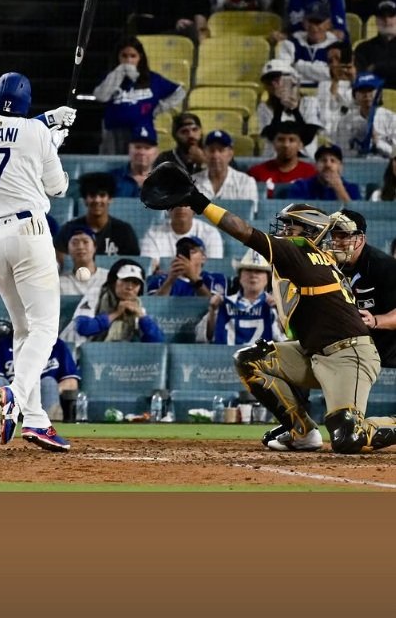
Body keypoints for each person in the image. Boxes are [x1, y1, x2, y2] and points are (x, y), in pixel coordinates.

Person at [141, 164, 396, 453]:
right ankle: (301, 431)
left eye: (291, 226)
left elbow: (244, 232)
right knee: (250, 359)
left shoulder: (301, 250)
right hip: (315, 351)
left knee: (348, 438)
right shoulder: (313, 258)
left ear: (309, 233)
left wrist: (200, 203)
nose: (284, 231)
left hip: (349, 356)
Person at [0, 70, 76, 452]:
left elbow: (8, 132)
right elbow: (57, 188)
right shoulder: (36, 133)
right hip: (29, 234)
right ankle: (15, 392)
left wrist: (49, 124)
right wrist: (53, 141)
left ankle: (37, 421)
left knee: (23, 329)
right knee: (45, 328)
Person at [93, 36, 185, 154]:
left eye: (133, 56)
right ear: (118, 57)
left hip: (143, 133)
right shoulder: (110, 78)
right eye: (124, 56)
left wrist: (160, 107)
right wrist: (119, 72)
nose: (128, 60)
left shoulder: (152, 79)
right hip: (114, 133)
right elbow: (101, 97)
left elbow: (180, 92)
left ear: (140, 57)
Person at [330, 209, 396, 368]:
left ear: (361, 239)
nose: (336, 241)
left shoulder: (385, 266)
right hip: (345, 352)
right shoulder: (328, 263)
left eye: (343, 236)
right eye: (333, 236)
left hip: (384, 355)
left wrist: (374, 321)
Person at [0, 328, 80, 423]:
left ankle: (49, 423)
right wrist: (19, 391)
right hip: (12, 400)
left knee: (49, 383)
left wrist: (42, 391)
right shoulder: (3, 345)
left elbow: (71, 382)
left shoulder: (57, 345)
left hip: (43, 400)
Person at [196, 248, 283, 345]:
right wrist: (213, 310)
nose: (253, 275)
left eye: (259, 271)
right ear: (240, 277)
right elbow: (202, 338)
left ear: (268, 278)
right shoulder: (222, 304)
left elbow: (284, 340)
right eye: (249, 270)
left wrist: (280, 313)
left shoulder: (275, 307)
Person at [73, 259, 165, 345]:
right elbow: (82, 327)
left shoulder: (137, 305)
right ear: (114, 282)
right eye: (125, 281)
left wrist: (142, 317)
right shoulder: (96, 293)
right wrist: (116, 314)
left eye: (135, 283)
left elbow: (157, 342)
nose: (130, 287)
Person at [55, 173, 140, 266]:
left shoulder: (124, 231)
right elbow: (60, 260)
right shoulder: (68, 229)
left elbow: (133, 264)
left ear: (110, 199)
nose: (97, 200)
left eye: (102, 195)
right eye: (92, 195)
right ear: (85, 200)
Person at [256, 59, 323, 159]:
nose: (274, 85)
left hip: (306, 161)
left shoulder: (310, 102)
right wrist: (280, 106)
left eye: (278, 79)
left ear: (292, 80)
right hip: (274, 160)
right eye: (269, 82)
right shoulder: (264, 107)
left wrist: (295, 110)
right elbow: (272, 135)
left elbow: (307, 136)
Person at [248, 120, 316, 197]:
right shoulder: (256, 172)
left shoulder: (312, 174)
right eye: (281, 139)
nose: (286, 145)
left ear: (300, 145)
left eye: (291, 140)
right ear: (273, 143)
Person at [140, 204, 223, 267]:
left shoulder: (211, 233)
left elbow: (213, 267)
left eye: (186, 203)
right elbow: (150, 268)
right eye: (176, 202)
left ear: (194, 209)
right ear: (168, 209)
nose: (181, 207)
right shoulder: (153, 234)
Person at [278, 1, 340, 86]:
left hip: (325, 94)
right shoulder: (291, 42)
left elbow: (335, 74)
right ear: (304, 22)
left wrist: (296, 65)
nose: (314, 27)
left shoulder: (339, 47)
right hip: (295, 93)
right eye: (310, 21)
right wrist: (322, 71)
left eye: (318, 22)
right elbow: (284, 72)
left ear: (328, 24)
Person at [335, 72, 396, 158]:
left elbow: (395, 154)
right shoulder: (345, 121)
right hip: (356, 168)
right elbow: (341, 154)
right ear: (354, 95)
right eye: (362, 90)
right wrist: (359, 151)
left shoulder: (392, 118)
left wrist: (378, 142)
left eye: (370, 90)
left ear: (380, 94)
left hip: (387, 168)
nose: (367, 95)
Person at [146, 235, 226, 298]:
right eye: (183, 252)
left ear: (203, 258)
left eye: (192, 251)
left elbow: (217, 309)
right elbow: (153, 307)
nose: (187, 256)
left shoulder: (215, 279)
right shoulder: (160, 279)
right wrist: (170, 281)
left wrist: (194, 279)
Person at [287, 144, 362, 202]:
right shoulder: (301, 186)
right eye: (323, 160)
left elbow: (356, 217)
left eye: (333, 161)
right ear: (316, 166)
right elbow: (293, 214)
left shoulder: (352, 189)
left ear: (340, 167)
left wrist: (339, 189)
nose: (328, 165)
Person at [354, 0, 396, 89]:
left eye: (391, 16)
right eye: (382, 16)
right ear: (376, 20)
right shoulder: (363, 48)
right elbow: (361, 78)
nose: (386, 20)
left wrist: (375, 67)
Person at [59, 226, 108, 297]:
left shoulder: (108, 278)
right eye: (74, 243)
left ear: (95, 248)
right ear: (68, 250)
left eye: (85, 242)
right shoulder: (60, 282)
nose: (80, 247)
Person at [110, 127, 159, 197]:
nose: (142, 152)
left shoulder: (164, 181)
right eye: (137, 147)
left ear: (156, 152)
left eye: (147, 148)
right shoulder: (112, 178)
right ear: (129, 149)